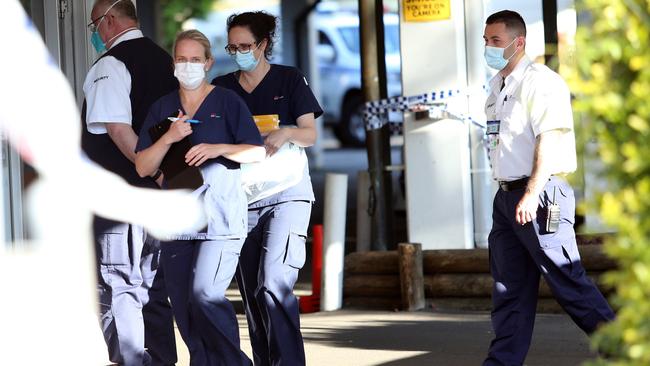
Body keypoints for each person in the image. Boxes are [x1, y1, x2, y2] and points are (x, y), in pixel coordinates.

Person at [481, 10, 615, 365]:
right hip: (507, 197)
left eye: (495, 40)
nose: (489, 47)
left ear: (518, 42)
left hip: (539, 195)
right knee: (508, 289)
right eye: (486, 40)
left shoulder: (540, 82)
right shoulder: (498, 86)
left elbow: (550, 139)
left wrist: (532, 192)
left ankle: (622, 351)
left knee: (566, 280)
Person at [135, 29, 265, 366]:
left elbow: (256, 152)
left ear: (208, 63)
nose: (188, 65)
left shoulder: (226, 102)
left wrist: (217, 148)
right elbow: (142, 166)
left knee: (205, 294)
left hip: (221, 219)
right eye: (181, 59)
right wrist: (169, 138)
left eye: (195, 59)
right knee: (184, 307)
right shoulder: (163, 108)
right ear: (173, 64)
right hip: (179, 222)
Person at [212, 11, 322, 366]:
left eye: (246, 45)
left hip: (287, 193)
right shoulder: (222, 88)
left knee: (274, 285)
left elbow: (310, 133)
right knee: (253, 298)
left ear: (262, 44)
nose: (239, 52)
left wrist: (286, 132)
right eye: (233, 46)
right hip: (241, 200)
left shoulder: (289, 80)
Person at [81, 1, 179, 365]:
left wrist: (150, 170)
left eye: (94, 25)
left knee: (117, 284)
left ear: (109, 21)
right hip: (159, 197)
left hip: (120, 198)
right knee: (153, 288)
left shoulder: (110, 65)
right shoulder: (164, 60)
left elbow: (120, 132)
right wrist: (166, 179)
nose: (94, 34)